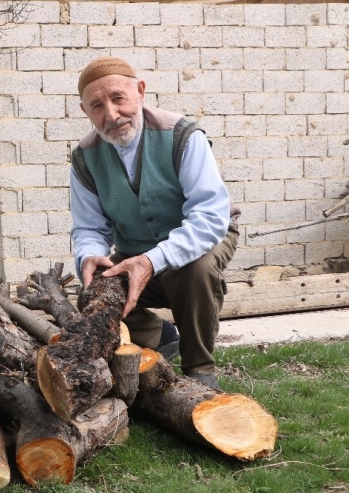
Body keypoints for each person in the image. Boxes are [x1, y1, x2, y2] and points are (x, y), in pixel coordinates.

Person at [70, 57, 240, 390]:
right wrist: (88, 257)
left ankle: (199, 370)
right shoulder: (84, 158)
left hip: (205, 238)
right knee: (94, 293)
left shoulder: (182, 135)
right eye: (97, 106)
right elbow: (89, 228)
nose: (111, 114)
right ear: (85, 112)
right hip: (134, 248)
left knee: (193, 270)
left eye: (118, 98)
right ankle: (160, 336)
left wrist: (153, 260)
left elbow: (209, 215)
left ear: (141, 91)